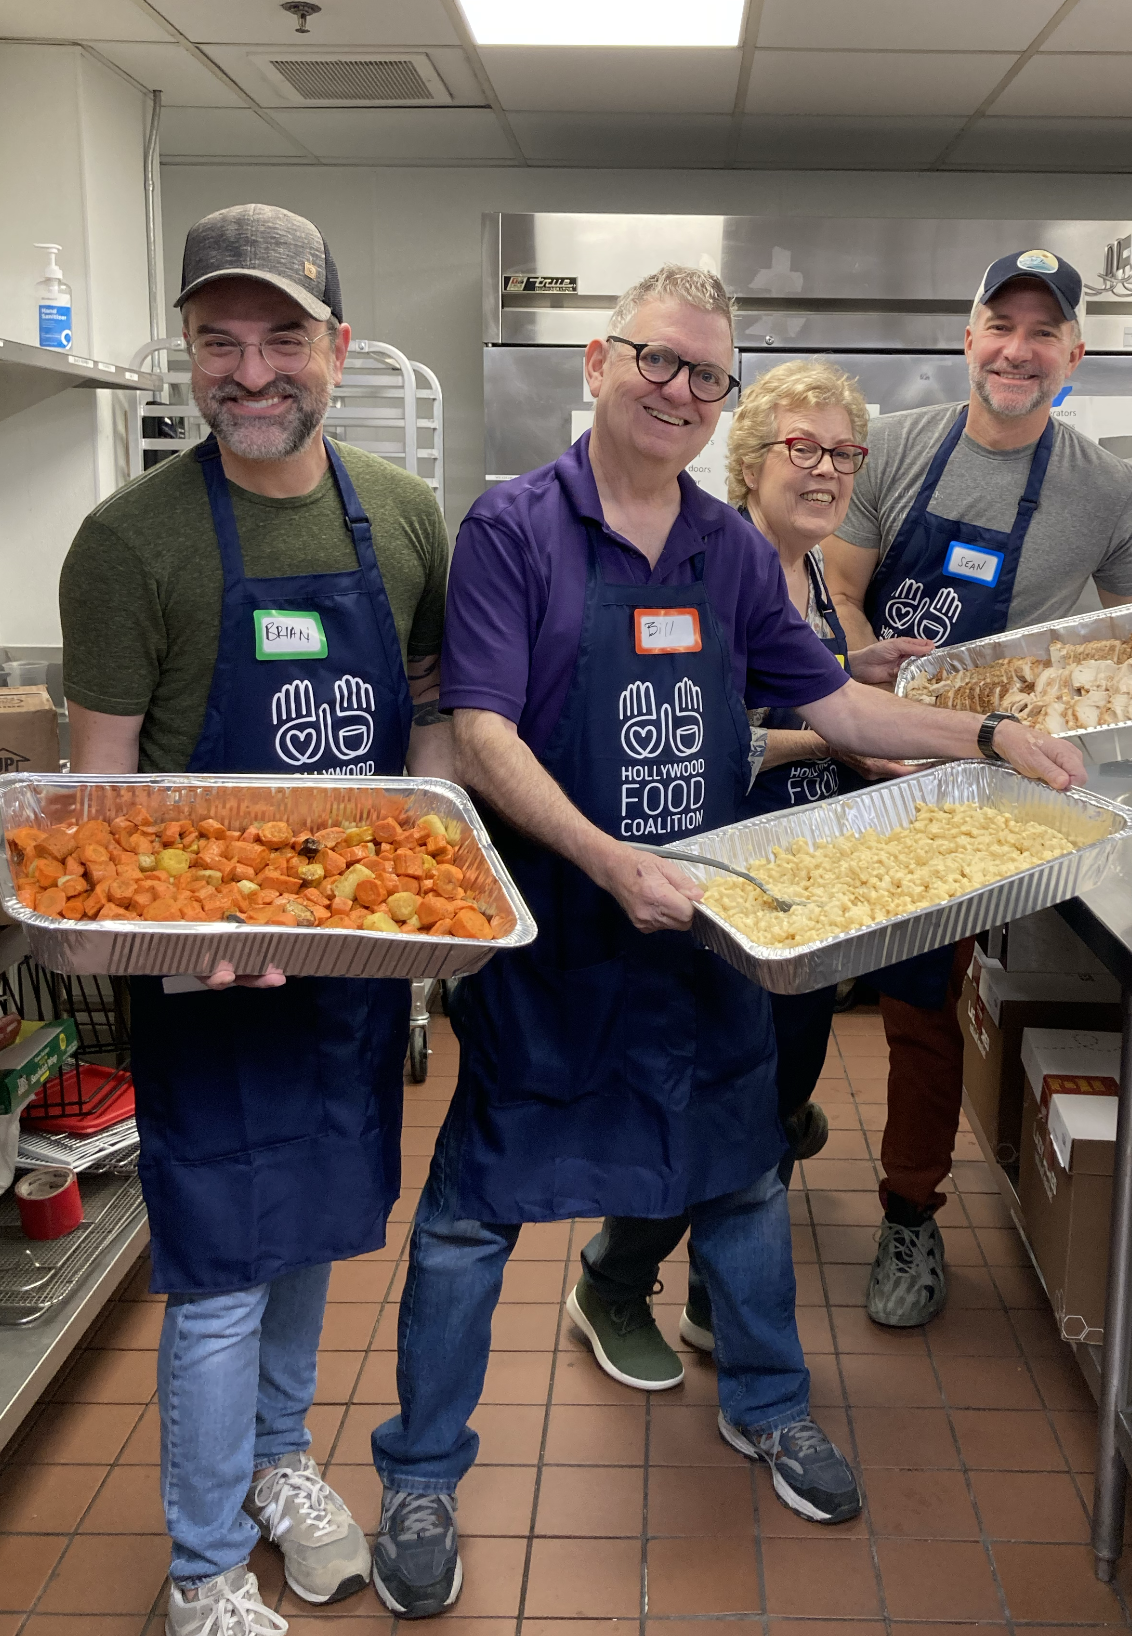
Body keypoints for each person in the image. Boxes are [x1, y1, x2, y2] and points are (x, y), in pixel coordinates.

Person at [366, 264, 1086, 1620]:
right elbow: (483, 730)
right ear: (598, 361)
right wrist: (600, 856)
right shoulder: (514, 527)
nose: (679, 389)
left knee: (746, 1181)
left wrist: (985, 737)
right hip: (560, 949)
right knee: (468, 1220)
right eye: (658, 360)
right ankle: (418, 1474)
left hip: (705, 938)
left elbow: (838, 710)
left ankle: (764, 1406)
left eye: (707, 374)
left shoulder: (725, 549)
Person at [59, 204, 453, 1636]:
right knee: (223, 1271)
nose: (251, 369)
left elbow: (427, 732)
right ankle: (202, 1565)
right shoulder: (129, 544)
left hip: (347, 964)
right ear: (186, 356)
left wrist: (415, 908)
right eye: (218, 340)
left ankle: (283, 1461)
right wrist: (168, 940)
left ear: (337, 349)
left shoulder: (401, 517)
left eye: (282, 335)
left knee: (313, 1236)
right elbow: (96, 808)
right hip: (209, 969)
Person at [568, 357, 933, 1389]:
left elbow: (804, 689)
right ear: (750, 456)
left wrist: (848, 681)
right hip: (725, 880)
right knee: (706, 1102)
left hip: (805, 886)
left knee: (775, 1099)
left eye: (844, 453)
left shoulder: (812, 567)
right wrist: (833, 739)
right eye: (801, 448)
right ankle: (610, 1277)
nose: (825, 471)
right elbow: (718, 742)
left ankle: (708, 1290)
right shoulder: (725, 563)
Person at [821, 248, 1132, 1329]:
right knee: (795, 975)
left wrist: (1024, 729)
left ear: (1074, 353)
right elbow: (834, 586)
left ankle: (909, 1214)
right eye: (998, 325)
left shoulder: (1109, 490)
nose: (1017, 349)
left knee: (924, 1008)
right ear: (968, 337)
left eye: (1042, 331)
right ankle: (771, 1125)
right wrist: (879, 716)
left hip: (975, 794)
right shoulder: (900, 445)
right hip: (857, 743)